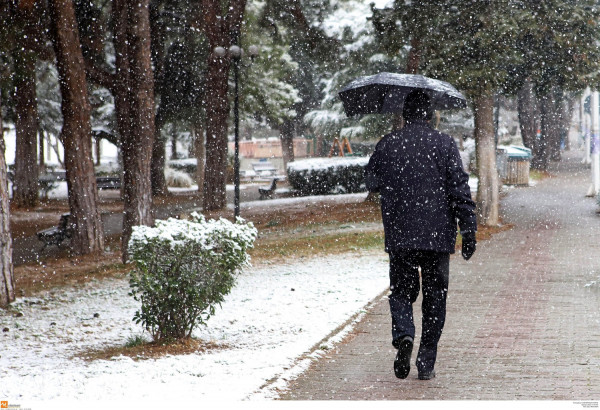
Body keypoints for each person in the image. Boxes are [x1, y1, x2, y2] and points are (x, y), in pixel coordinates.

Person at [365, 89, 477, 380]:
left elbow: (371, 181)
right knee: (435, 298)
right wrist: (468, 230)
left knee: (401, 292)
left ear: (404, 115)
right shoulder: (444, 144)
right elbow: (459, 189)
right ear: (429, 115)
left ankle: (403, 334)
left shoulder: (388, 144)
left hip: (401, 233)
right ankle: (426, 360)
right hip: (437, 236)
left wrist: (395, 179)